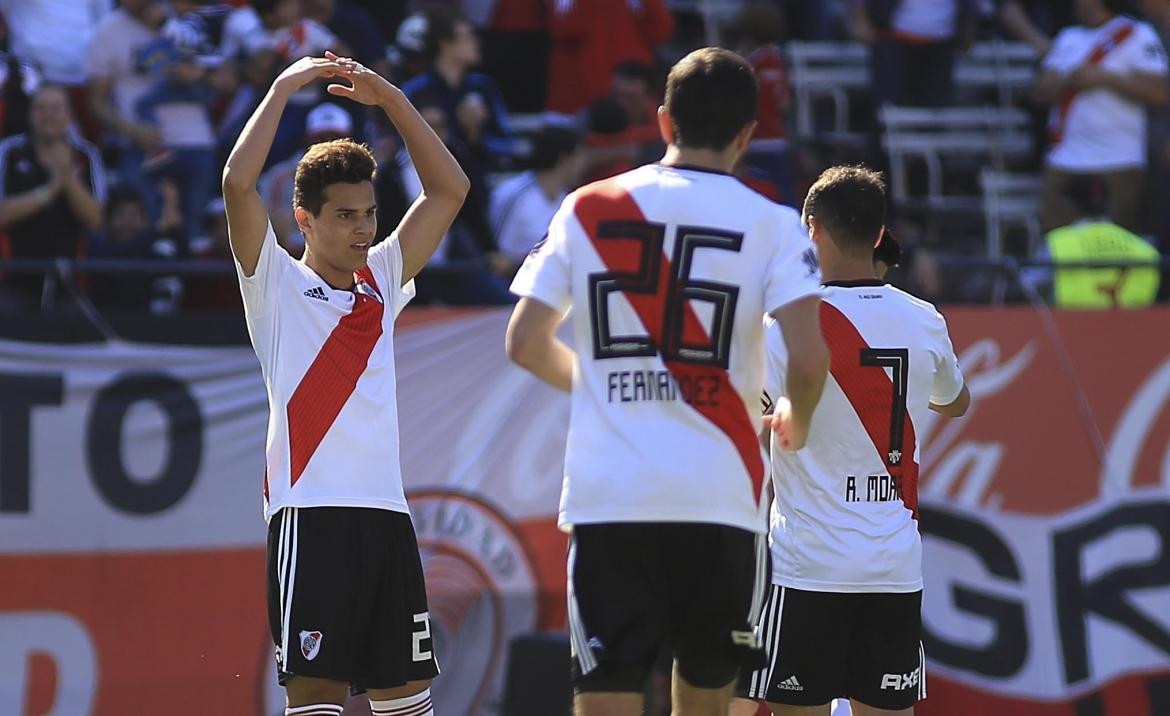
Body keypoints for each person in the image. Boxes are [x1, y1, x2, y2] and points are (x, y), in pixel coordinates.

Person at [505, 48, 830, 716]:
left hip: (611, 496)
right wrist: (797, 413)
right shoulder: (772, 224)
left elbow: (526, 342)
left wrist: (602, 386)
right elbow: (810, 357)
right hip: (720, 493)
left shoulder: (586, 207)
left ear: (661, 121)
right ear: (748, 133)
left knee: (607, 695)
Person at [221, 50, 468, 716]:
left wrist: (390, 99)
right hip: (311, 518)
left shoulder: (382, 279)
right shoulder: (274, 283)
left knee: (408, 701)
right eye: (345, 216)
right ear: (304, 220)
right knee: (318, 698)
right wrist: (278, 87)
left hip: (387, 517)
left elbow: (450, 190)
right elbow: (237, 184)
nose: (364, 229)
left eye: (369, 213)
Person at [731, 166, 970, 716]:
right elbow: (956, 402)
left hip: (808, 564)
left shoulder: (787, 325)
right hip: (893, 565)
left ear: (810, 227)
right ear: (880, 233)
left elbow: (755, 416)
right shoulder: (924, 319)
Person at [1032, 0, 1168, 233]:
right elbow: (1038, 93)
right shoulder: (1068, 37)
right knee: (1057, 242)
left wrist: (1106, 78)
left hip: (1118, 160)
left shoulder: (1135, 33)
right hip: (1066, 158)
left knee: (1117, 244)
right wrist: (1069, 79)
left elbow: (1159, 93)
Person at [0, 84, 105, 310]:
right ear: (29, 114)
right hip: (13, 281)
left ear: (69, 115)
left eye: (56, 108)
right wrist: (49, 190)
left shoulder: (86, 155)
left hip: (71, 284)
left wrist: (66, 178)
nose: (48, 115)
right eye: (41, 108)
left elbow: (96, 218)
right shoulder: (9, 152)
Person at [1031, 175, 1160, 307]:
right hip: (1137, 325)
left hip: (1071, 325)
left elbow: (1029, 285)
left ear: (1071, 205)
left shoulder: (1057, 243)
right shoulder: (1144, 247)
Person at [259, 101, 354, 254]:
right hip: (291, 260)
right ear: (308, 139)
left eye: (335, 138)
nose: (328, 144)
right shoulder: (279, 177)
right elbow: (273, 228)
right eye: (321, 137)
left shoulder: (361, 178)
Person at [490, 123, 584, 263]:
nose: (583, 162)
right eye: (579, 155)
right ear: (565, 160)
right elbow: (495, 259)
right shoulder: (513, 196)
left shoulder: (570, 202)